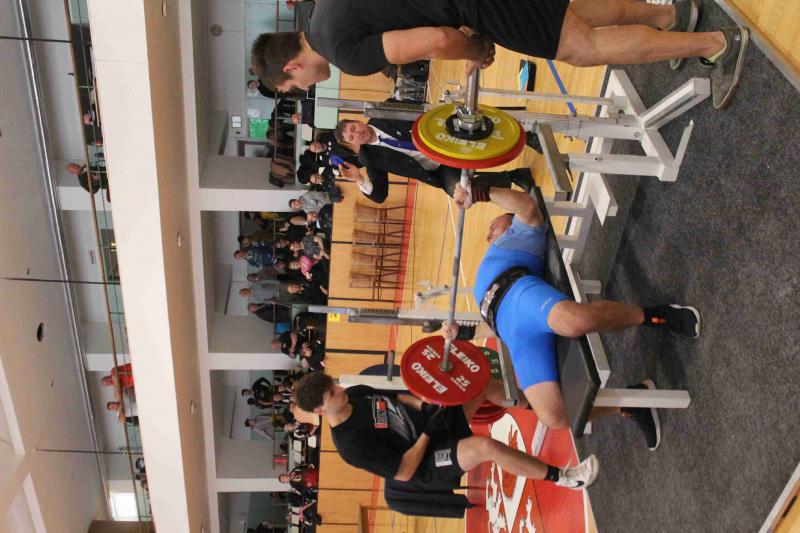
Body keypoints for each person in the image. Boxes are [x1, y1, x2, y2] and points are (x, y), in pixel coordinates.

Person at [443, 184, 702, 450]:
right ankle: (630, 402)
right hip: (512, 333)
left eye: (493, 226)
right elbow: (494, 326)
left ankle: (654, 316)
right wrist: (465, 332)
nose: (488, 234)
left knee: (574, 322)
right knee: (554, 416)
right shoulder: (491, 262)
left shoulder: (519, 234)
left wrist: (480, 193)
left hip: (521, 295)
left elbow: (527, 207)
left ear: (508, 219)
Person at [251, 0, 748, 109]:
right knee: (575, 11)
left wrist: (477, 48)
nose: (306, 88)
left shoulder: (344, 54)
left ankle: (716, 45)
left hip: (479, 5)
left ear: (291, 67)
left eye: (295, 86)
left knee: (582, 48)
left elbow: (437, 40)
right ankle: (670, 16)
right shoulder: (325, 9)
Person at [294, 372, 599, 491]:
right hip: (425, 461)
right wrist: (427, 433)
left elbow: (397, 397)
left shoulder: (354, 393)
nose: (339, 389)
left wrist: (424, 406)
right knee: (486, 447)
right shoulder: (350, 446)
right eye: (331, 393)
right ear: (320, 411)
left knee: (480, 386)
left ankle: (545, 409)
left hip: (430, 426)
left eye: (333, 384)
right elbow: (404, 471)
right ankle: (565, 478)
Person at [333, 118, 533, 203]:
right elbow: (380, 195)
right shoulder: (368, 157)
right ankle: (514, 177)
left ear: (357, 121)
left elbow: (422, 114)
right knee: (463, 192)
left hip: (443, 142)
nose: (357, 134)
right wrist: (359, 179)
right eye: (351, 137)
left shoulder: (383, 113)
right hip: (437, 170)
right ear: (353, 144)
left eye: (353, 128)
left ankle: (527, 135)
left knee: (479, 134)